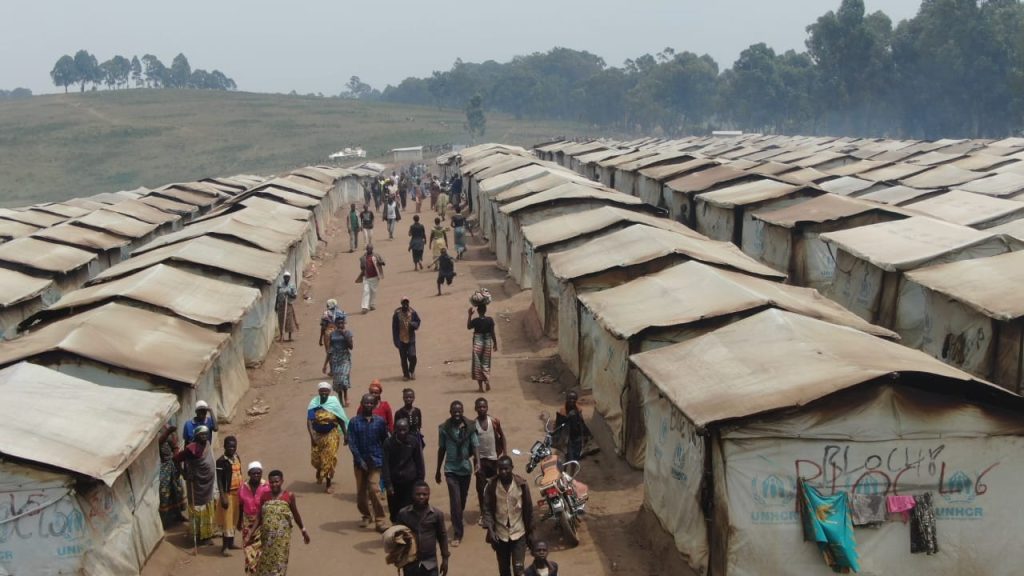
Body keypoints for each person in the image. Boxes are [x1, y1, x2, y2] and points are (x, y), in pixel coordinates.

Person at [434, 400, 478, 547]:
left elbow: (475, 445)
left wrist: (477, 462)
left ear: (463, 411)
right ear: (450, 412)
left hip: (465, 468)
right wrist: (438, 470)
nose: (457, 414)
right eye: (454, 411)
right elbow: (441, 449)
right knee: (455, 501)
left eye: (459, 411)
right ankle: (457, 534)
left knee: (462, 499)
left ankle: (458, 516)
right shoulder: (444, 429)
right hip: (450, 469)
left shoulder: (470, 427)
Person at [482, 455, 533, 576]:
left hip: (519, 533)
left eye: (506, 468)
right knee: (504, 570)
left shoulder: (522, 485)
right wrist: (491, 530)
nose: (503, 472)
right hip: (500, 536)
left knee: (519, 569)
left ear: (512, 468)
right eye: (501, 469)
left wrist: (531, 533)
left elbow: (529, 510)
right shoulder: (491, 486)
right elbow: (487, 510)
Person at [252, 470, 310, 576]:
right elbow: (259, 517)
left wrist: (303, 530)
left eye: (277, 481)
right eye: (271, 482)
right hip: (267, 539)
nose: (274, 484)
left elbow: (296, 515)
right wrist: (250, 534)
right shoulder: (264, 496)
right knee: (265, 563)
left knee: (280, 564)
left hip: (282, 541)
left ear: (282, 481)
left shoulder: (289, 496)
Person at [348, 393, 390, 532]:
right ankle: (366, 515)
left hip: (376, 461)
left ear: (375, 404)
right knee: (361, 494)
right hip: (359, 463)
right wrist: (359, 460)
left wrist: (385, 460)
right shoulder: (354, 422)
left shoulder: (380, 422)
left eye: (371, 403)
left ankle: (380, 520)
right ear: (361, 403)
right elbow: (352, 443)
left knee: (374, 489)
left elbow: (385, 441)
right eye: (366, 402)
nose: (368, 405)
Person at [173, 425, 219, 546]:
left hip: (208, 484)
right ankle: (198, 536)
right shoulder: (192, 449)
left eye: (206, 434)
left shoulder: (207, 444)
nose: (205, 436)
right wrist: (184, 474)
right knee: (198, 509)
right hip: (196, 485)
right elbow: (176, 458)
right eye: (202, 434)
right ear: (196, 436)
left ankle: (207, 534)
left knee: (208, 507)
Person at [397, 482, 451, 576]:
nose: (421, 497)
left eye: (424, 494)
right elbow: (397, 537)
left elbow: (442, 537)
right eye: (418, 494)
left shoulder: (436, 514)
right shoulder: (403, 514)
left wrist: (445, 559)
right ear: (412, 495)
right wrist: (398, 557)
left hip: (430, 563)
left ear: (429, 495)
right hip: (410, 563)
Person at [307, 382, 349, 493]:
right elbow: (310, 421)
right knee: (316, 459)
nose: (324, 393)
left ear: (329, 392)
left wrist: (345, 434)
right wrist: (312, 437)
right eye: (322, 391)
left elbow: (340, 418)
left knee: (329, 459)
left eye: (326, 390)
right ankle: (320, 469)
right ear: (318, 392)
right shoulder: (314, 403)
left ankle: (328, 484)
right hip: (317, 436)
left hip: (332, 435)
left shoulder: (334, 402)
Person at [383, 419, 425, 523]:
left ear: (408, 429)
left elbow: (419, 462)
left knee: (409, 510)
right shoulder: (388, 443)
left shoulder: (413, 441)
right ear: (395, 430)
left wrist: (420, 482)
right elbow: (385, 465)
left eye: (404, 430)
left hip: (410, 481)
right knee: (394, 511)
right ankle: (396, 531)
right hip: (394, 482)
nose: (402, 432)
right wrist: (388, 484)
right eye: (399, 430)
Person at [474, 398, 507, 517]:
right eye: (479, 407)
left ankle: (495, 509)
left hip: (494, 459)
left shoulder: (494, 421)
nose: (481, 409)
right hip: (480, 461)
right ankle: (484, 513)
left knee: (495, 485)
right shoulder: (473, 425)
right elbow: (474, 444)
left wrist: (505, 455)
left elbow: (502, 437)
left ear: (487, 408)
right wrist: (477, 462)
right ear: (475, 409)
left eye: (483, 407)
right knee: (481, 488)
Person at [237, 462, 269, 576]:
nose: (256, 475)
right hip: (247, 523)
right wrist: (239, 520)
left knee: (262, 551)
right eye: (254, 473)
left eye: (259, 473)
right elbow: (240, 505)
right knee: (247, 549)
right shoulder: (242, 488)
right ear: (249, 473)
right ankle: (252, 572)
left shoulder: (266, 487)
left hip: (262, 522)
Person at [216, 436, 244, 556]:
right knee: (227, 521)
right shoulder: (221, 461)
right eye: (229, 446)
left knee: (234, 519)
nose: (232, 448)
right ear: (224, 447)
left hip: (238, 494)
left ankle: (231, 543)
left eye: (234, 446)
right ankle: (224, 547)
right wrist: (223, 496)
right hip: (228, 495)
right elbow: (219, 480)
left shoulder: (237, 457)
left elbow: (240, 473)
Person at [158, 422, 187, 527]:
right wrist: (168, 432)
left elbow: (175, 445)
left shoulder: (166, 425)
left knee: (177, 489)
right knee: (164, 492)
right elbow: (159, 442)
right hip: (162, 465)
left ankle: (178, 515)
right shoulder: (153, 427)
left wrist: (177, 458)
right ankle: (165, 520)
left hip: (172, 463)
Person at [322, 314, 354, 406]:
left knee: (343, 379)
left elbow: (351, 347)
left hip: (344, 358)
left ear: (344, 324)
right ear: (335, 324)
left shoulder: (348, 333)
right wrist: (325, 365)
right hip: (335, 359)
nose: (340, 325)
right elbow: (330, 350)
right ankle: (340, 398)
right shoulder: (332, 334)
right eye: (338, 323)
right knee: (337, 381)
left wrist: (344, 335)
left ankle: (346, 396)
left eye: (342, 323)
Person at [468, 304, 498, 392]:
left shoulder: (476, 321)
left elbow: (468, 326)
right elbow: (492, 332)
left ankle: (480, 387)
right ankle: (487, 381)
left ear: (477, 311)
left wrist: (469, 315)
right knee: (486, 363)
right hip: (487, 342)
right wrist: (495, 344)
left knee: (477, 364)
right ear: (485, 310)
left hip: (478, 342)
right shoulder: (490, 320)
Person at [556, 390, 592, 462]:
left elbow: (581, 422)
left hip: (575, 434)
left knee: (575, 457)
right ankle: (565, 469)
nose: (572, 401)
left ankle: (572, 472)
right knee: (565, 456)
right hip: (566, 435)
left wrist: (584, 435)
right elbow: (559, 423)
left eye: (574, 399)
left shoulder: (578, 409)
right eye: (570, 399)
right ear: (566, 399)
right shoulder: (563, 411)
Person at [392, 297, 421, 380]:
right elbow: (394, 329)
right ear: (401, 304)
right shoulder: (397, 315)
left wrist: (414, 325)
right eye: (404, 303)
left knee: (413, 356)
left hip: (411, 339)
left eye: (407, 303)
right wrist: (396, 341)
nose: (405, 305)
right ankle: (406, 375)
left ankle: (411, 370)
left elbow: (418, 321)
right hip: (401, 339)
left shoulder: (413, 312)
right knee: (403, 358)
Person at [359, 245, 385, 313]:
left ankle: (371, 304)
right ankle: (364, 307)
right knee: (366, 291)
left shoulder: (376, 255)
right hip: (366, 277)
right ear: (366, 249)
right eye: (368, 248)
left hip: (375, 277)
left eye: (370, 248)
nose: (369, 250)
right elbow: (361, 267)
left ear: (372, 249)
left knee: (373, 291)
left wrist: (380, 262)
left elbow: (382, 262)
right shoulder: (363, 258)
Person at [276, 271, 299, 342]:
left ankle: (289, 336)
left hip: (288, 304)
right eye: (285, 277)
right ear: (283, 278)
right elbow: (277, 295)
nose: (286, 278)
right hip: (281, 305)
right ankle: (281, 336)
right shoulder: (280, 285)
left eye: (288, 277)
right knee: (281, 320)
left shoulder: (292, 285)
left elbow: (295, 295)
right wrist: (276, 305)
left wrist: (289, 294)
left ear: (289, 278)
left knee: (289, 321)